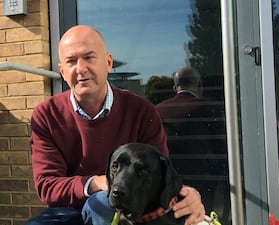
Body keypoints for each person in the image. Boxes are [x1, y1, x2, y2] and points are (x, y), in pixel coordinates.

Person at [25, 25, 205, 225]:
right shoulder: (46, 114)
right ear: (62, 71)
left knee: (104, 204)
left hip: (126, 207)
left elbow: (157, 173)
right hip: (67, 209)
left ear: (108, 62)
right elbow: (47, 186)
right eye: (71, 61)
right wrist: (97, 182)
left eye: (89, 57)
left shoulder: (142, 111)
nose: (81, 68)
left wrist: (189, 193)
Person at [156, 67, 229, 223]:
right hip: (200, 176)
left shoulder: (158, 110)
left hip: (168, 179)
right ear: (199, 85)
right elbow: (220, 146)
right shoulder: (208, 107)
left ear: (175, 88)